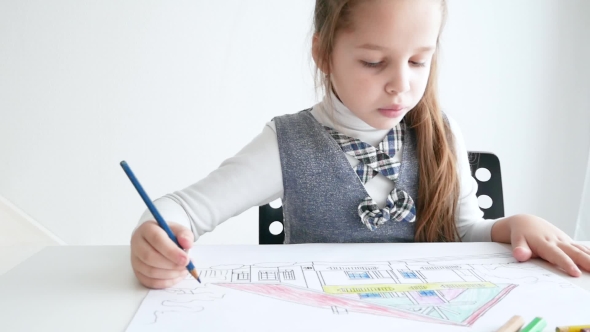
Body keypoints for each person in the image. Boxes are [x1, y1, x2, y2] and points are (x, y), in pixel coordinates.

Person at [129, 0, 590, 289]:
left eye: (418, 61)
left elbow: (464, 233)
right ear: (323, 53)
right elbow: (178, 209)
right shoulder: (286, 143)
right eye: (373, 62)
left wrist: (514, 225)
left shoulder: (441, 132)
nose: (400, 85)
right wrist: (155, 235)